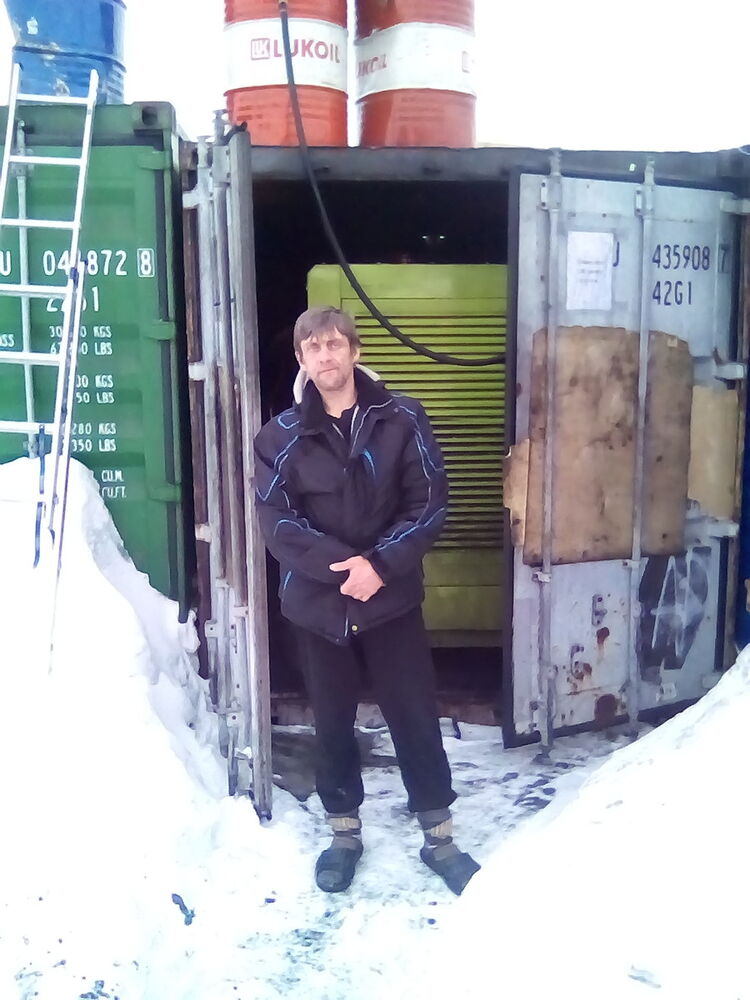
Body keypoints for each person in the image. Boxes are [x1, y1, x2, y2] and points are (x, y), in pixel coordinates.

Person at [253, 306, 480, 895]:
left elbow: (428, 503)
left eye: (335, 344)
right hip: (318, 606)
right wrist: (345, 568)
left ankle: (439, 836)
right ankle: (344, 834)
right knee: (331, 721)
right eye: (313, 348)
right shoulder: (278, 437)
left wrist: (378, 565)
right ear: (301, 360)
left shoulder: (402, 418)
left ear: (355, 351)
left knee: (414, 715)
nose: (325, 356)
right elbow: (278, 523)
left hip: (390, 598)